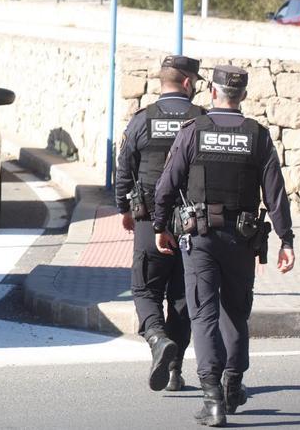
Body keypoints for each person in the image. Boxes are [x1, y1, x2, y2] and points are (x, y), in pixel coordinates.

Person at [153, 65, 296, 427]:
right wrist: (286, 241)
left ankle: (213, 398)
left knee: (203, 314)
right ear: (242, 96)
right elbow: (276, 194)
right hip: (242, 240)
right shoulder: (258, 136)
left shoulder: (193, 132)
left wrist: (159, 226)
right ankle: (234, 387)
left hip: (200, 238)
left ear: (212, 93)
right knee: (236, 311)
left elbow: (166, 186)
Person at [115, 55, 204, 392]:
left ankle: (156, 339)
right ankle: (175, 371)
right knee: (182, 297)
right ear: (186, 83)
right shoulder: (202, 121)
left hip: (148, 218)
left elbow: (124, 168)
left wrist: (123, 207)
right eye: (194, 82)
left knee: (144, 289)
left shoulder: (142, 120)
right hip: (189, 221)